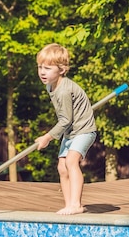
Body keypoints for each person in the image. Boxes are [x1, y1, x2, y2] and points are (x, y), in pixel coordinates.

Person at [34, 44, 96, 215]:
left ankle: (76, 204)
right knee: (62, 167)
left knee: (70, 162)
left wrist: (47, 137)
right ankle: (69, 204)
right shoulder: (50, 86)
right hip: (71, 131)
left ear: (62, 70)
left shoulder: (64, 90)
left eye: (47, 68)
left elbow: (65, 119)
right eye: (40, 67)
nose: (42, 72)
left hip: (84, 130)